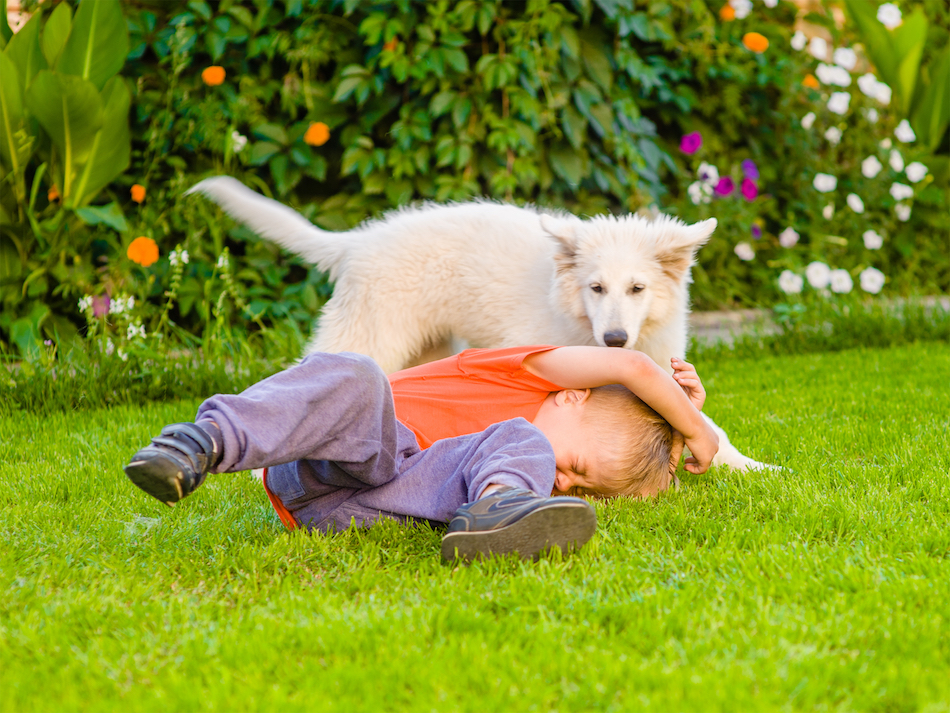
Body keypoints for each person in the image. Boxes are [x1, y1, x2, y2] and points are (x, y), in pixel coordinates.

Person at [125, 346, 716, 562]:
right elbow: (631, 367)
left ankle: (498, 514)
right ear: (568, 397)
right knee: (358, 375)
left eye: (581, 492)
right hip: (339, 458)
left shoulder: (508, 454)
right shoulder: (518, 375)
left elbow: (623, 458)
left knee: (519, 448)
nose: (561, 483)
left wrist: (661, 440)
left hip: (373, 510)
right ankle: (203, 442)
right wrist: (695, 428)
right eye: (577, 469)